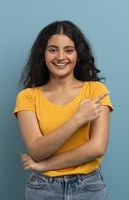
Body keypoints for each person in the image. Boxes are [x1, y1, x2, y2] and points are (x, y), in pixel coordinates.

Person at [13, 20, 113, 200]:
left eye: (68, 50)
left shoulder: (96, 91)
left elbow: (97, 147)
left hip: (89, 188)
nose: (60, 57)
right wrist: (79, 118)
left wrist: (46, 166)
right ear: (42, 55)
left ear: (78, 55)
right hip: (43, 188)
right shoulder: (27, 97)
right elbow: (37, 150)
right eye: (52, 49)